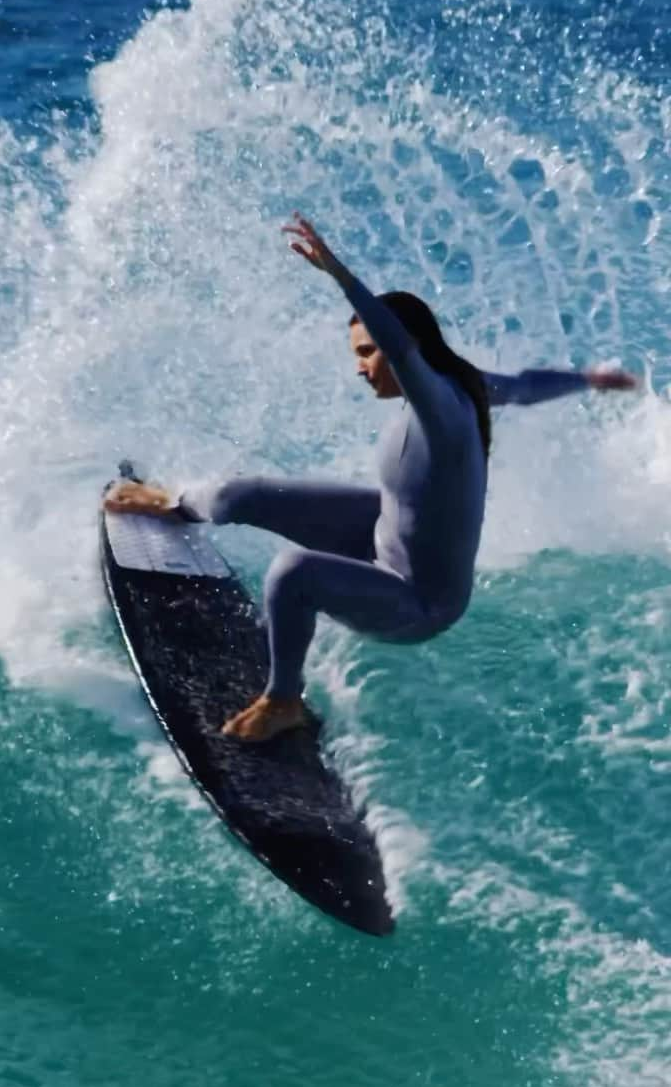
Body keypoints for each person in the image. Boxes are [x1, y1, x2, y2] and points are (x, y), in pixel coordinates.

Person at [104, 214, 637, 742]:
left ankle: (283, 700)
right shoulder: (463, 383)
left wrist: (341, 276)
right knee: (239, 492)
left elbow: (402, 349)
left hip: (414, 601)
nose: (360, 367)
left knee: (293, 573)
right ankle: (175, 503)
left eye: (366, 352)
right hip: (382, 533)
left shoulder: (442, 408)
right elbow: (522, 386)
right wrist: (589, 379)